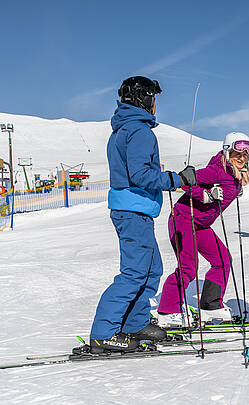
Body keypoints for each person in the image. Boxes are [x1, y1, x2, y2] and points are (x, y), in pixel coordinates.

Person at [88, 76, 197, 354]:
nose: (155, 104)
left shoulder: (125, 129)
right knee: (135, 272)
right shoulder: (139, 131)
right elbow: (141, 175)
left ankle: (135, 323)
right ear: (143, 99)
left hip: (135, 210)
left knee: (151, 271)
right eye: (153, 98)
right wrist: (178, 179)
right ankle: (104, 332)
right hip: (132, 210)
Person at [156, 132, 249, 327]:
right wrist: (205, 195)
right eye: (237, 154)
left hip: (201, 225)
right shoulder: (216, 171)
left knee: (222, 260)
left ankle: (210, 306)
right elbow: (185, 180)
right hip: (183, 219)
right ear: (227, 153)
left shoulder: (234, 174)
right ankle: (167, 311)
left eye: (245, 155)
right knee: (188, 268)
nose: (242, 159)